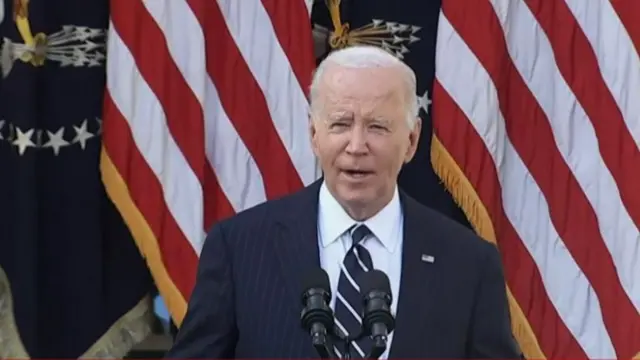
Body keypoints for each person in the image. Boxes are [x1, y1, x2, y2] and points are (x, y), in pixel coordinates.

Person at [165, 45, 521, 359]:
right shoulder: (239, 247)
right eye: (340, 124)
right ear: (313, 134)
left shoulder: (468, 263)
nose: (356, 146)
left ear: (412, 141)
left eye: (378, 127)